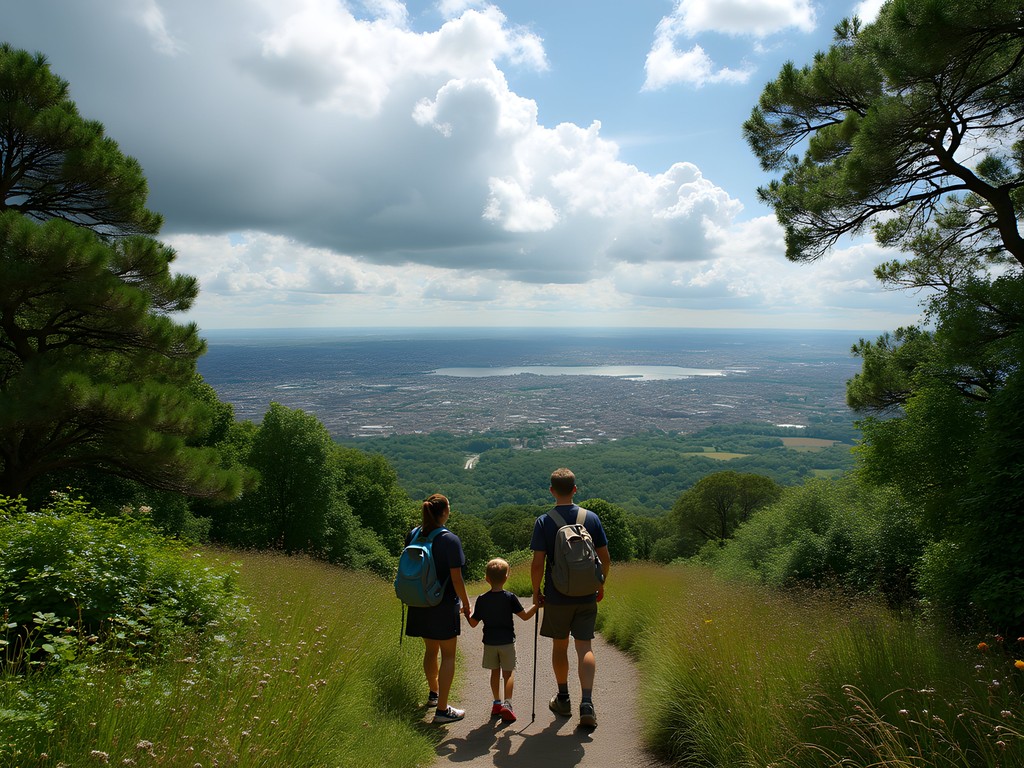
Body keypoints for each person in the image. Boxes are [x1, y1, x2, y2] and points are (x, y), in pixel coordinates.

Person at [530, 467, 610, 729]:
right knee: (584, 646)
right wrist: (600, 584)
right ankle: (587, 703)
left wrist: (536, 592)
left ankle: (563, 697)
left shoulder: (544, 521)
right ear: (575, 489)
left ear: (552, 491)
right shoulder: (592, 519)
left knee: (560, 645)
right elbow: (605, 558)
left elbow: (537, 563)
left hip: (557, 594)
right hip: (586, 593)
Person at [403, 493, 473, 724]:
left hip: (419, 601)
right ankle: (443, 710)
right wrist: (466, 602)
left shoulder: (413, 534)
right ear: (444, 512)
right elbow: (456, 578)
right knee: (449, 655)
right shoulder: (450, 539)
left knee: (431, 650)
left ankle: (434, 695)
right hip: (442, 604)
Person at [466, 557, 538, 723]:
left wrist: (467, 611)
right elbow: (525, 617)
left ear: (486, 578)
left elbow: (473, 623)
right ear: (507, 577)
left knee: (494, 672)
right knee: (508, 673)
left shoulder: (482, 599)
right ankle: (508, 703)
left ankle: (496, 703)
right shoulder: (509, 597)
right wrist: (537, 605)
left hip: (490, 643)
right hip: (506, 642)